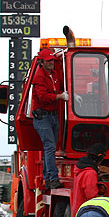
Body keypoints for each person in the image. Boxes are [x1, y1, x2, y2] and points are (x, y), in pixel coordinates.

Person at [31, 48, 69, 189]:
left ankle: (49, 178)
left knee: (50, 148)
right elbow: (43, 97)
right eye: (48, 61)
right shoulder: (39, 77)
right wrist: (60, 96)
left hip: (51, 115)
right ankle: (52, 178)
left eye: (52, 60)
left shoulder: (53, 74)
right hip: (43, 117)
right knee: (50, 147)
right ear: (42, 62)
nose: (51, 62)